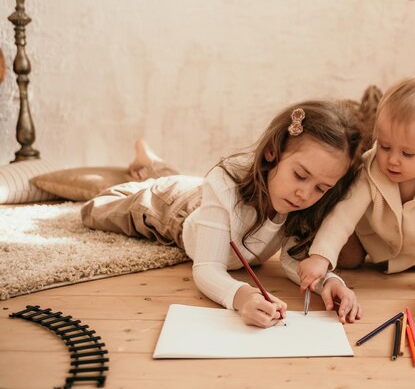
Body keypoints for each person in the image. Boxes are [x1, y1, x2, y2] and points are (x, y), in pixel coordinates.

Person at [81, 100, 364, 328]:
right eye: (300, 175)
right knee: (95, 210)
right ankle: (146, 170)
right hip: (174, 210)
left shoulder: (299, 201)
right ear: (271, 152)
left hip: (201, 196)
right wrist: (242, 297)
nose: (306, 194)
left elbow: (295, 261)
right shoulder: (225, 182)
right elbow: (206, 268)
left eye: (321, 187)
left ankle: (150, 161)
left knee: (182, 182)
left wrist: (329, 281)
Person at [297, 76, 415, 296]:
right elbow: (344, 215)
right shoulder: (372, 170)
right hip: (370, 240)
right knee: (347, 258)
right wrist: (321, 257)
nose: (392, 160)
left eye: (407, 153)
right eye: (385, 146)